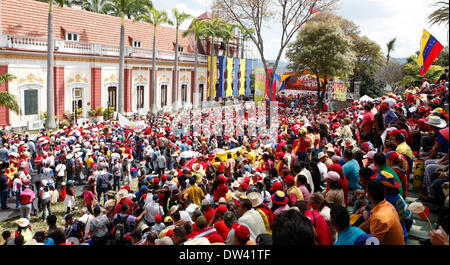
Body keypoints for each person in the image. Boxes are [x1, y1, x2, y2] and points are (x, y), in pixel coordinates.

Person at [363, 179, 405, 245]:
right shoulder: (389, 205)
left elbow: (373, 242)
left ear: (368, 194)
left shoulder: (378, 218)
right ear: (384, 192)